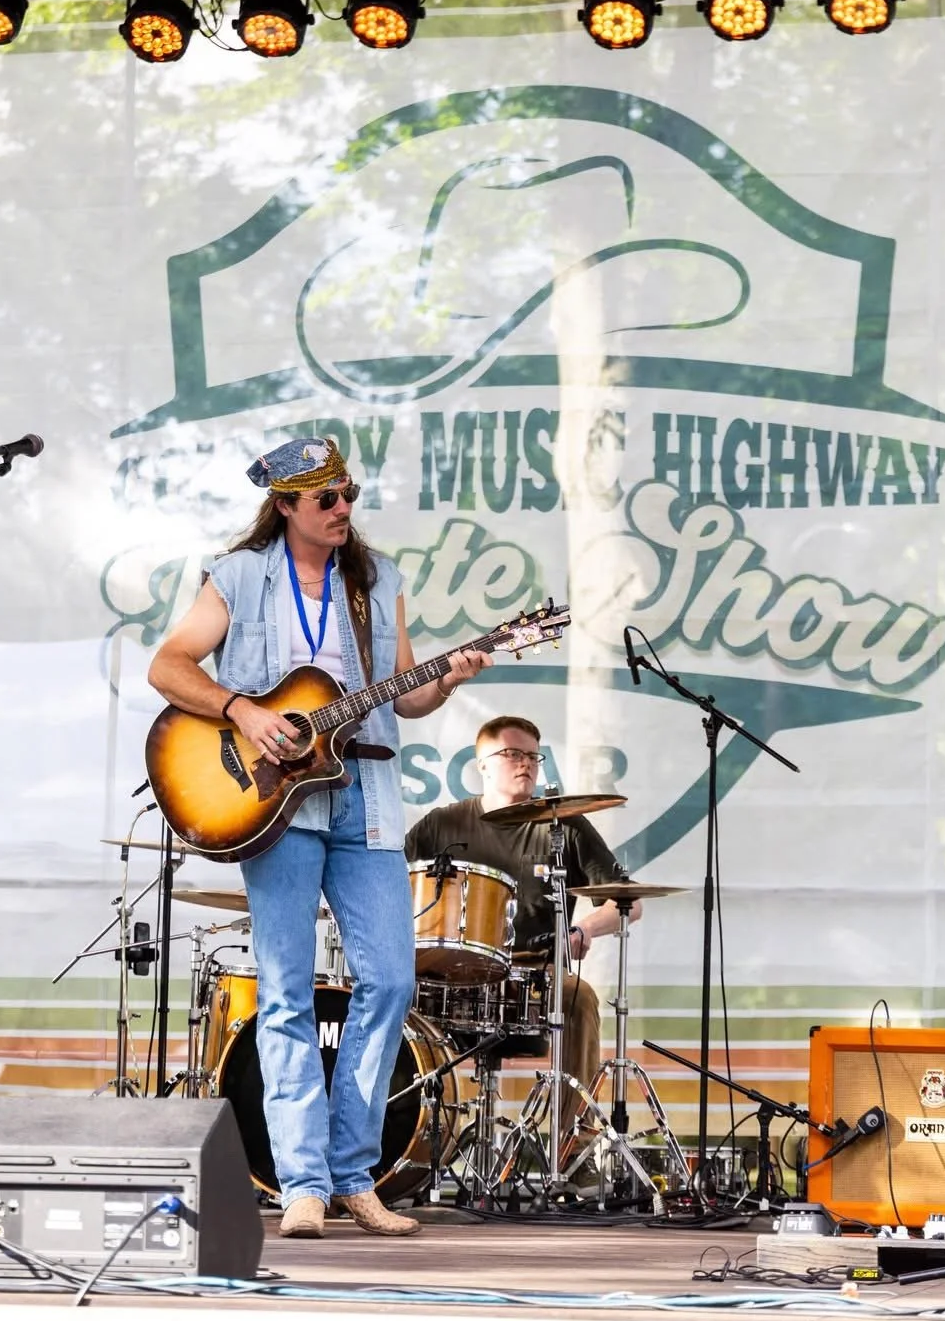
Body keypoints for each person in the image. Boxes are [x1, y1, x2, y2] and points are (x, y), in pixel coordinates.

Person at [147, 436, 489, 1240]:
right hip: (275, 802)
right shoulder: (238, 577)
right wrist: (242, 710)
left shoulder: (376, 581)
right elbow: (169, 667)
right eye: (326, 499)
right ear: (286, 506)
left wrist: (448, 677)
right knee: (287, 990)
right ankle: (302, 1182)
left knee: (392, 982)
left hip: (364, 795)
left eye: (349, 494)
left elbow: (404, 699)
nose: (343, 510)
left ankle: (353, 1174)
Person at [403, 715, 639, 1141]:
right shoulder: (444, 824)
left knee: (579, 998)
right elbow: (387, 883)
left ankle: (572, 1144)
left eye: (533, 755)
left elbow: (628, 902)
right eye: (512, 754)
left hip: (532, 974)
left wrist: (582, 930)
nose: (525, 763)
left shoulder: (563, 826)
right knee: (387, 998)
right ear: (483, 765)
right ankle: (406, 1142)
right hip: (449, 972)